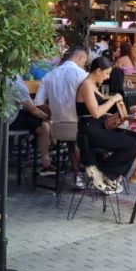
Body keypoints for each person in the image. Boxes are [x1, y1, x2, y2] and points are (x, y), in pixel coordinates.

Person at [75, 57, 136, 192]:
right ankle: (106, 172)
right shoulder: (86, 86)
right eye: (107, 73)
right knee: (132, 143)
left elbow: (94, 111)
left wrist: (119, 113)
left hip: (98, 127)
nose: (108, 77)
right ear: (98, 71)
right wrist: (113, 99)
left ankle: (109, 174)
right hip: (90, 131)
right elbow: (95, 112)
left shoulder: (92, 85)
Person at [34, 46, 89, 188]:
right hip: (79, 126)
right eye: (84, 62)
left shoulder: (49, 75)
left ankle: (78, 175)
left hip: (57, 128)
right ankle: (92, 172)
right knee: (98, 131)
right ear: (80, 58)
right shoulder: (82, 75)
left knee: (72, 141)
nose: (84, 65)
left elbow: (38, 102)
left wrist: (53, 111)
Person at [8, 75, 54, 175]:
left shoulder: (0, 79)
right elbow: (33, 110)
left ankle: (42, 142)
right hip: (11, 121)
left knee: (39, 120)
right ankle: (46, 162)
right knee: (44, 125)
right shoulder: (18, 84)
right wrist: (48, 117)